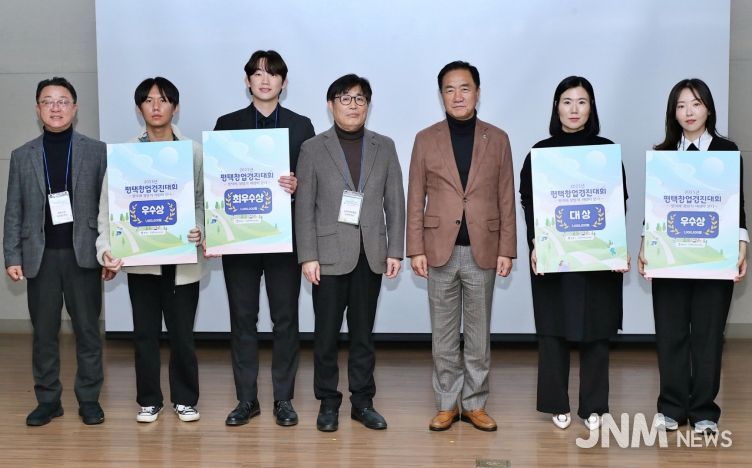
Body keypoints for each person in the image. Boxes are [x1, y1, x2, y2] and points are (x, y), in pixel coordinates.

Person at [406, 61, 516, 432]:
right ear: (441, 95)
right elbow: (415, 196)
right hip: (439, 250)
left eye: (464, 88)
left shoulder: (497, 138)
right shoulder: (426, 138)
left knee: (479, 335)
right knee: (443, 334)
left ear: (477, 92)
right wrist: (415, 248)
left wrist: (506, 248)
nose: (457, 96)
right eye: (449, 89)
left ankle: (475, 403)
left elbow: (506, 196)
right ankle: (446, 404)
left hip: (483, 249)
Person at [296, 74, 405, 432]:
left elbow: (395, 201)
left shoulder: (384, 146)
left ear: (368, 106)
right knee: (326, 336)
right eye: (345, 98)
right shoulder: (313, 148)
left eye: (360, 99)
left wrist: (395, 250)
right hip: (327, 257)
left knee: (363, 335)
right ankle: (328, 402)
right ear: (331, 105)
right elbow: (305, 206)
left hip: (370, 254)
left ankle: (363, 402)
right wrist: (308, 255)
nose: (353, 105)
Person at [519, 76, 629, 431]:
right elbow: (529, 203)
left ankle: (594, 406)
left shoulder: (606, 151)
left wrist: (618, 249)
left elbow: (618, 204)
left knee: (597, 330)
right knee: (553, 329)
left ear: (591, 107)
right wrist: (535, 243)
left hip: (597, 256)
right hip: (554, 254)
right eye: (567, 101)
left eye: (582, 101)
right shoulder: (540, 153)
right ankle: (556, 403)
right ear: (557, 107)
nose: (574, 109)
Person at [638, 78, 747, 434]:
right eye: (681, 105)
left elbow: (737, 207)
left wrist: (742, 245)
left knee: (708, 336)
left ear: (708, 109)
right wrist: (644, 243)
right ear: (673, 112)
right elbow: (655, 208)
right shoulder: (663, 154)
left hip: (714, 260)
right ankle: (671, 408)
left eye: (696, 104)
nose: (689, 112)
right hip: (670, 259)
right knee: (670, 335)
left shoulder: (727, 152)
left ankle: (703, 411)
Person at [214, 50, 315, 427]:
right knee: (242, 319)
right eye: (257, 73)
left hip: (283, 239)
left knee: (285, 319)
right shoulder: (227, 125)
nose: (265, 79)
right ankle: (246, 400)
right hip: (239, 239)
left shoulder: (301, 125)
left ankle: (283, 399)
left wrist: (298, 185)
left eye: (272, 74)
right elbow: (217, 182)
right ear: (247, 81)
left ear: (283, 83)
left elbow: (312, 183)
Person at [96, 77, 205, 423]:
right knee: (144, 334)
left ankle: (185, 399)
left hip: (183, 261)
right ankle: (149, 400)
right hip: (142, 261)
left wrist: (200, 227)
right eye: (148, 100)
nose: (156, 106)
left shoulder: (193, 151)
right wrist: (105, 249)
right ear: (139, 107)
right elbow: (108, 209)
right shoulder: (125, 155)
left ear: (176, 106)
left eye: (163, 100)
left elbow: (203, 201)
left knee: (182, 335)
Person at [3, 77, 108, 426]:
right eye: (48, 101)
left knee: (88, 332)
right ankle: (48, 401)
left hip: (84, 254)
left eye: (63, 101)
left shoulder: (97, 151)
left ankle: (89, 399)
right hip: (41, 256)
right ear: (38, 109)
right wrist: (12, 255)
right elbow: (13, 210)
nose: (55, 107)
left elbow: (108, 207)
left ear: (75, 108)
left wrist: (111, 250)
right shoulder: (22, 156)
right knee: (44, 334)